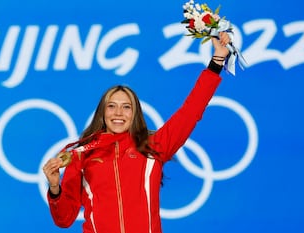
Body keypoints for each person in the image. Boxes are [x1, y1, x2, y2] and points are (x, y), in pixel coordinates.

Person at [43, 32, 231, 233]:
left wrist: (217, 60)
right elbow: (64, 219)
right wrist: (55, 189)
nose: (118, 113)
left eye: (126, 107)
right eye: (112, 106)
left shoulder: (154, 145)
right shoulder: (81, 153)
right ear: (102, 112)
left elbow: (191, 110)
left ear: (135, 113)